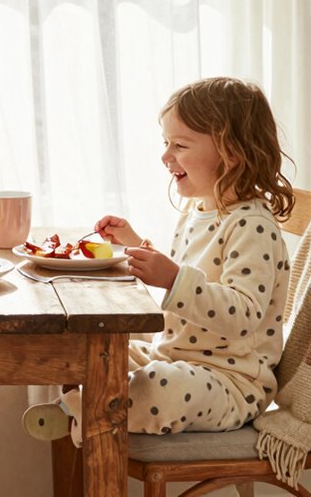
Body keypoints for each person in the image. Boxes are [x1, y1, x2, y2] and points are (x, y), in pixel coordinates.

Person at [24, 77, 295, 444]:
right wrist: (135, 244)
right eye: (166, 143)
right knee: (100, 358)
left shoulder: (253, 225)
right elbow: (193, 272)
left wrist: (171, 280)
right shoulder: (197, 209)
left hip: (232, 382)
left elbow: (243, 315)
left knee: (158, 388)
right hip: (173, 356)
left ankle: (79, 411)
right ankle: (82, 407)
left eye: (180, 145)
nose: (166, 156)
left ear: (231, 153)